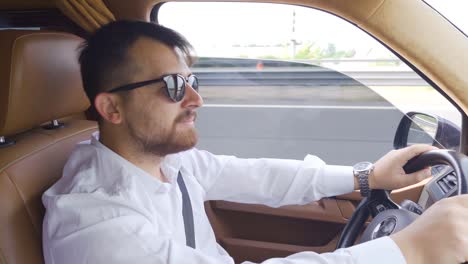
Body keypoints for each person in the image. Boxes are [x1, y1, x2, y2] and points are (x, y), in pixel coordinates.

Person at [42, 20, 468, 264]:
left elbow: (256, 175)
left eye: (192, 80)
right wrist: (406, 249)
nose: (196, 99)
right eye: (173, 86)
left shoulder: (165, 162)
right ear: (112, 109)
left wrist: (368, 175)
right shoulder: (93, 224)